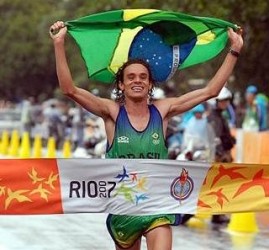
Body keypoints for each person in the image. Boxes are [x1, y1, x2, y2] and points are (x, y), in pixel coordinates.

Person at [50, 21, 243, 250]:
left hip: (157, 206)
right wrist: (59, 43)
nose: (137, 81)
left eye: (143, 77)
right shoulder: (111, 113)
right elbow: (69, 89)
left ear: (150, 83)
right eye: (131, 77)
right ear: (121, 85)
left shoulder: (162, 111)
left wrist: (234, 50)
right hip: (123, 209)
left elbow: (210, 91)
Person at [207, 86, 236, 224]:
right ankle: (216, 215)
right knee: (218, 186)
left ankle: (217, 214)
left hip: (222, 155)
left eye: (227, 100)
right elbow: (214, 138)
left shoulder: (220, 116)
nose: (226, 103)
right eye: (223, 100)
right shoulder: (214, 117)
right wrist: (220, 154)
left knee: (221, 186)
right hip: (218, 157)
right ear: (216, 101)